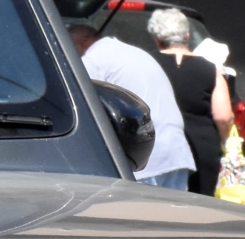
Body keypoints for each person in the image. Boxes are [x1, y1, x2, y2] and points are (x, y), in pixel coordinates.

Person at [68, 21, 191, 189]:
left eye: (70, 46)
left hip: (144, 159)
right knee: (174, 215)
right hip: (176, 153)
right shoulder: (134, 52)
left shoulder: (94, 59)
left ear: (83, 41)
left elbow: (76, 101)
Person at [146, 6, 235, 197]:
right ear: (187, 36)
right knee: (202, 206)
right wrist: (226, 141)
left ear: (157, 39)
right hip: (202, 149)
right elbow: (223, 116)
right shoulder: (211, 70)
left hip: (159, 148)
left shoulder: (147, 65)